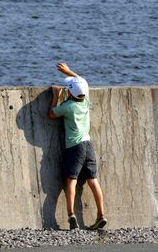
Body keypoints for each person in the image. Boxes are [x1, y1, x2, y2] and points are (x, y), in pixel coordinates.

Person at [49, 62, 107, 230]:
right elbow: (82, 82)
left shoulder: (67, 107)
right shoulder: (85, 101)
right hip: (88, 145)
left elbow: (51, 114)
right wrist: (69, 72)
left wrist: (55, 96)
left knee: (71, 180)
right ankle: (101, 214)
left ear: (69, 92)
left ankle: (71, 214)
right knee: (93, 181)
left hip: (74, 147)